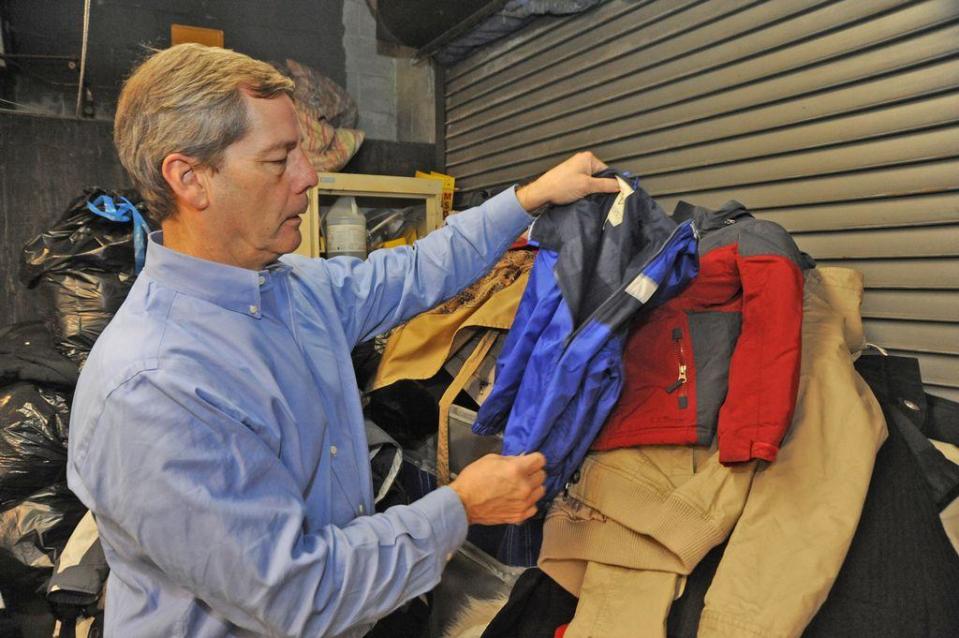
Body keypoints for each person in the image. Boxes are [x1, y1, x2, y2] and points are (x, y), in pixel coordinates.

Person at [66, 43, 619, 638]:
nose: (309, 177)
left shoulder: (290, 290)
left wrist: (528, 199)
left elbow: (414, 271)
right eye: (279, 161)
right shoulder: (157, 388)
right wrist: (460, 507)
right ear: (190, 178)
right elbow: (296, 593)